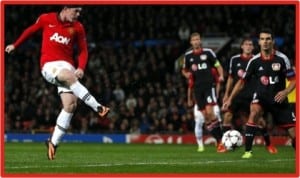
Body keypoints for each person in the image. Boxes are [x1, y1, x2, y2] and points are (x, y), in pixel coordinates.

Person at [5, 6, 110, 160]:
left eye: (80, 12)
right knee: (68, 76)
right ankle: (98, 107)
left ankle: (53, 143)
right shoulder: (46, 18)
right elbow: (31, 30)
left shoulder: (78, 27)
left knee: (70, 105)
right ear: (66, 9)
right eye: (76, 11)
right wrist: (15, 44)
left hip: (68, 65)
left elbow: (83, 50)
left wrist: (81, 67)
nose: (78, 15)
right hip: (49, 65)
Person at [222, 28, 296, 158]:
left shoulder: (282, 59)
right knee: (254, 112)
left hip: (279, 100)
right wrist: (229, 99)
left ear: (272, 41)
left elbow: (294, 80)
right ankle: (248, 151)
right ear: (259, 42)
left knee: (294, 134)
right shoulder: (254, 61)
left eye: (268, 39)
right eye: (262, 39)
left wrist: (286, 91)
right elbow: (241, 82)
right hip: (261, 97)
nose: (265, 42)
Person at [222, 37, 277, 154]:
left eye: (250, 44)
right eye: (246, 44)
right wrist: (227, 95)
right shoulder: (234, 59)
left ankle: (269, 144)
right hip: (237, 95)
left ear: (253, 47)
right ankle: (224, 145)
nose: (248, 46)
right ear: (241, 46)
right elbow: (231, 78)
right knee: (227, 116)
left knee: (260, 121)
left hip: (252, 95)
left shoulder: (257, 59)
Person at [182, 32, 226, 153]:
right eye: (194, 40)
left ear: (200, 41)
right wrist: (187, 75)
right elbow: (184, 70)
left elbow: (218, 65)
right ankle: (219, 141)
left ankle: (220, 142)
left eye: (198, 39)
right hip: (197, 89)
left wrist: (221, 75)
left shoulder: (208, 52)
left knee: (210, 113)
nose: (196, 42)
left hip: (208, 87)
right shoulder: (188, 56)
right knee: (206, 118)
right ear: (191, 42)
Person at [187, 67, 222, 152]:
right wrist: (189, 99)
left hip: (211, 101)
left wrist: (216, 94)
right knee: (200, 122)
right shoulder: (193, 71)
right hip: (199, 102)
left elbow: (218, 82)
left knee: (216, 118)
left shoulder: (212, 70)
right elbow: (190, 86)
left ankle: (220, 141)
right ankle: (200, 145)